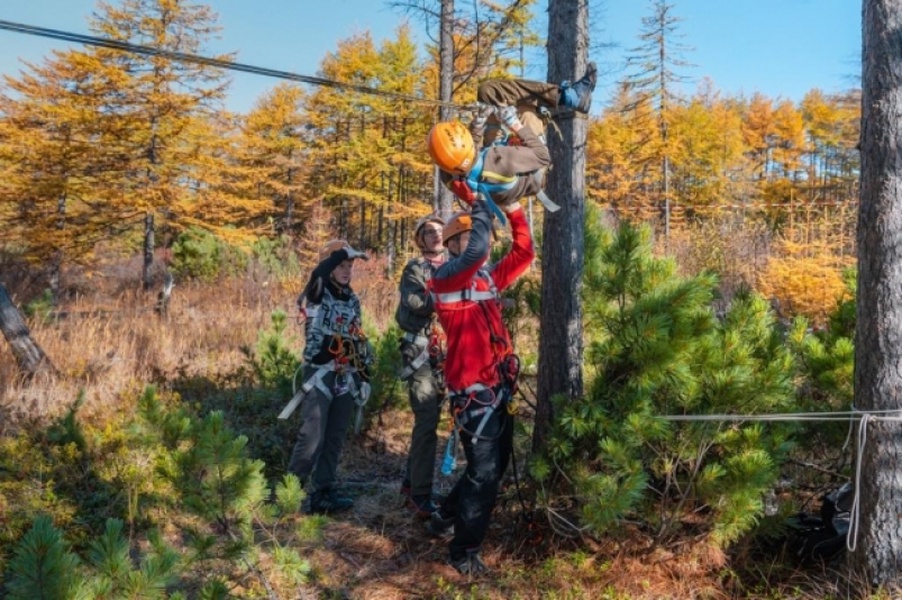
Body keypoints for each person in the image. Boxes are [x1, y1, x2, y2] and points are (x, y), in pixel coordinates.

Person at [425, 197, 534, 576]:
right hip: (473, 392)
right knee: (484, 474)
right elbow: (476, 252)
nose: (477, 244)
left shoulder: (485, 278)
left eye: (477, 236)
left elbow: (524, 252)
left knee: (492, 466)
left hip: (497, 387)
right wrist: (482, 207)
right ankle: (463, 551)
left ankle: (445, 516)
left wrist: (515, 208)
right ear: (453, 244)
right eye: (467, 237)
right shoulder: (445, 278)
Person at [426, 63, 597, 214]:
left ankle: (553, 105)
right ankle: (568, 99)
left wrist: (478, 123)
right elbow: (542, 156)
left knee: (489, 96)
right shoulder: (502, 160)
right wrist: (514, 123)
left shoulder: (448, 168)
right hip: (530, 170)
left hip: (493, 165)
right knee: (525, 112)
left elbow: (469, 161)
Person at [286, 239, 373, 514]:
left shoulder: (353, 299)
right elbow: (317, 275)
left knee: (335, 436)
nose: (348, 270)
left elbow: (357, 336)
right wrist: (337, 253)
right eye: (341, 265)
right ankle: (291, 495)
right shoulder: (318, 291)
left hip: (345, 374)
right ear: (329, 266)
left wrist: (363, 374)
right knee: (311, 436)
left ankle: (322, 492)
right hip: (321, 373)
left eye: (350, 266)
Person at [395, 214, 448, 517]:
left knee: (431, 418)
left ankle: (410, 482)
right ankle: (421, 495)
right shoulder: (414, 269)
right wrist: (449, 293)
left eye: (440, 231)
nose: (436, 236)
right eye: (429, 232)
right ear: (420, 238)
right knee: (427, 418)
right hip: (419, 349)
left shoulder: (453, 266)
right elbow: (417, 303)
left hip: (444, 352)